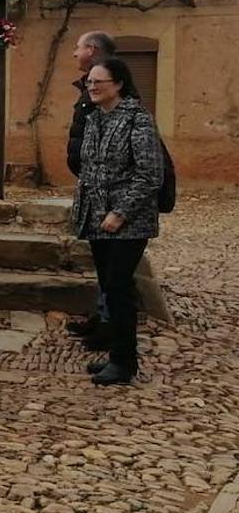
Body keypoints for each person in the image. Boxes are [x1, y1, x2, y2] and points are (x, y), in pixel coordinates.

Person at [73, 58, 162, 386]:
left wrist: (120, 212)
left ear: (119, 84)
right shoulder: (95, 119)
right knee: (110, 289)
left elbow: (150, 174)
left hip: (128, 223)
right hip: (97, 221)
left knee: (119, 287)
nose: (92, 87)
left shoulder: (137, 120)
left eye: (99, 82)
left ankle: (125, 363)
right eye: (90, 82)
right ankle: (118, 354)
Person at [66, 31, 119, 349]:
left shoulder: (111, 93)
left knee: (113, 265)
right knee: (102, 259)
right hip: (93, 185)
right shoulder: (90, 88)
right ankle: (102, 318)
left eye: (78, 47)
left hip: (108, 191)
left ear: (93, 50)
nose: (75, 54)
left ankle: (111, 328)